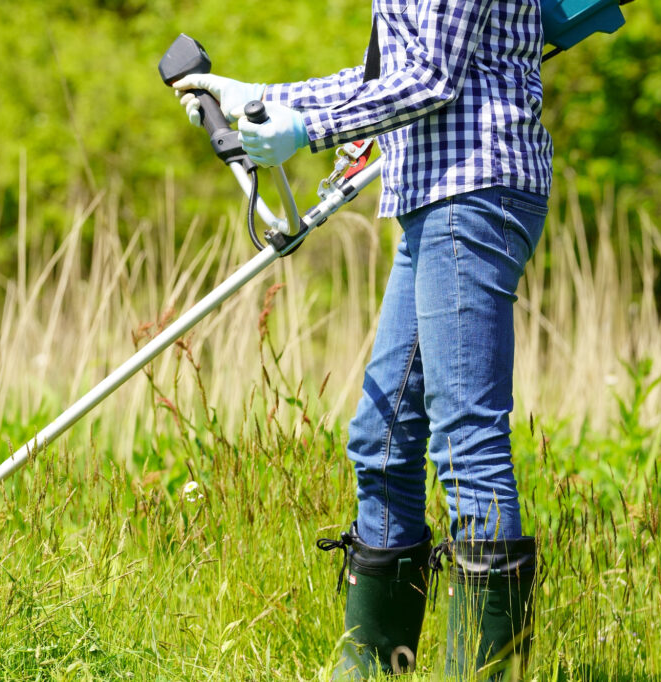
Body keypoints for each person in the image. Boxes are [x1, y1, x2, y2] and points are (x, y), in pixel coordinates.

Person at [173, 0, 550, 679]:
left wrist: (306, 127)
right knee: (380, 439)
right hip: (433, 196)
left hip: (475, 188)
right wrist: (261, 98)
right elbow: (387, 72)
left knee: (468, 443)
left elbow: (432, 76)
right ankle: (375, 666)